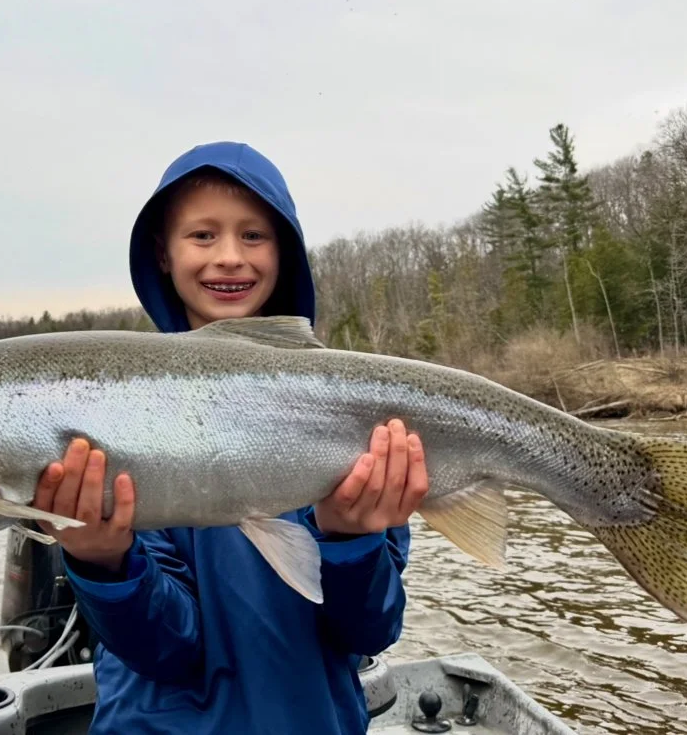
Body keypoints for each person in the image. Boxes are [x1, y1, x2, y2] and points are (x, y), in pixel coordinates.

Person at [29, 142, 429, 734]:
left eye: (254, 236)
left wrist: (352, 541)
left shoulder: (348, 413)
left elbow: (368, 632)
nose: (230, 258)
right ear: (163, 256)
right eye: (203, 236)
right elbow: (168, 649)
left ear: (285, 253)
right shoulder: (122, 423)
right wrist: (101, 563)